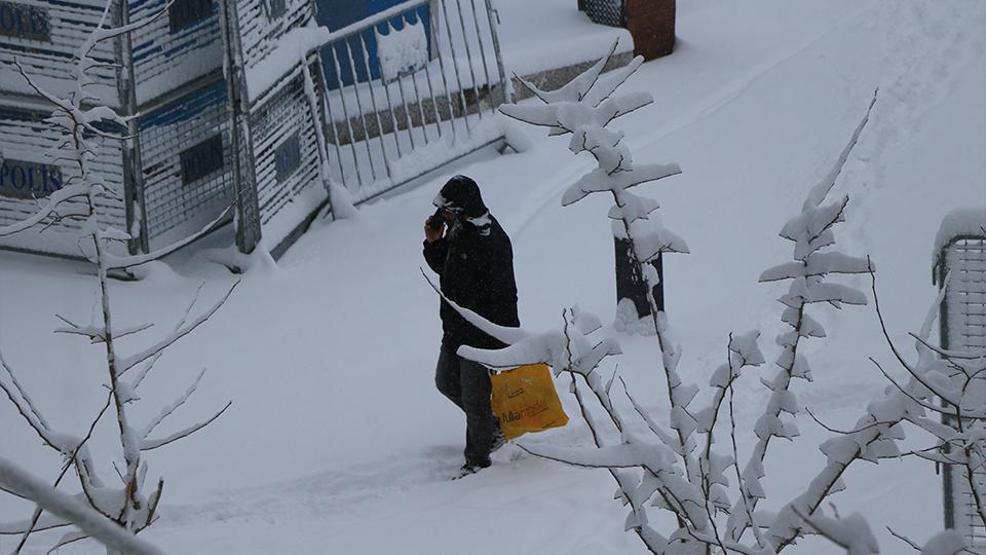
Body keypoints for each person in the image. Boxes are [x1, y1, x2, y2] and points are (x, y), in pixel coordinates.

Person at [423, 175, 519, 478]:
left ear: (462, 208)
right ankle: (491, 429)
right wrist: (433, 242)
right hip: (455, 330)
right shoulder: (459, 230)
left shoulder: (491, 240)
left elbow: (505, 292)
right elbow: (448, 269)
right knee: (445, 382)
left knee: (476, 399)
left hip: (480, 333)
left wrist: (501, 338)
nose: (445, 216)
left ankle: (477, 463)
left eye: (449, 210)